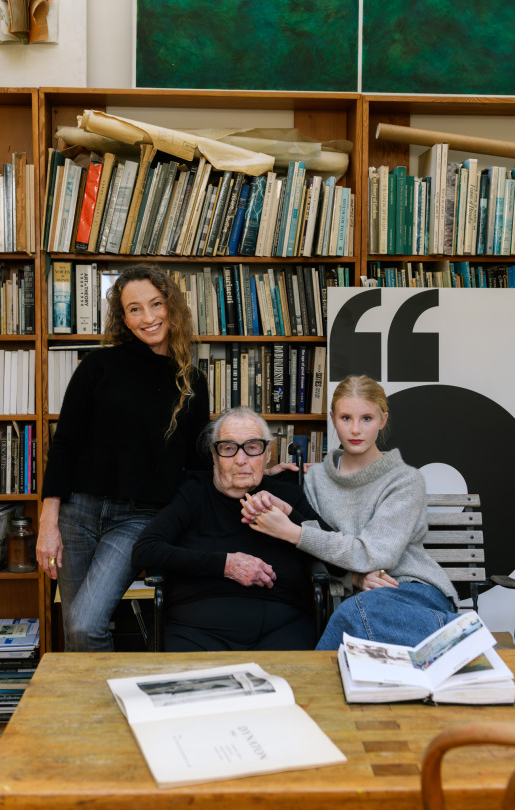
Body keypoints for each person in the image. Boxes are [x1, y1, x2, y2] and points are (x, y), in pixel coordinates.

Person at [36, 265, 210, 652]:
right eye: (134, 309)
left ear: (172, 306)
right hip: (77, 513)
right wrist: (48, 523)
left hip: (138, 519)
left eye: (156, 304)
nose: (148, 317)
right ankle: (98, 694)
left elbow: (198, 465)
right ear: (124, 318)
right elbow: (64, 445)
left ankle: (114, 690)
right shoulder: (97, 366)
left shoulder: (192, 382)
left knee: (84, 626)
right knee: (75, 632)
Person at [240, 375, 459, 649]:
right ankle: (453, 639)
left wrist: (295, 532)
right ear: (333, 419)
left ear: (383, 420)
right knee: (358, 616)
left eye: (366, 418)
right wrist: (352, 578)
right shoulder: (315, 480)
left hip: (413, 591)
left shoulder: (404, 481)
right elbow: (312, 555)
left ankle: (455, 636)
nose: (355, 430)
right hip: (361, 600)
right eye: (346, 418)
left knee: (356, 615)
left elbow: (373, 554)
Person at [131, 407, 343, 652]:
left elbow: (337, 563)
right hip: (194, 630)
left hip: (281, 629)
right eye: (229, 448)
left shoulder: (287, 495)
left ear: (268, 454)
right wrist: (226, 565)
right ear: (214, 455)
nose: (241, 460)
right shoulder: (192, 492)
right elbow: (145, 550)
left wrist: (289, 513)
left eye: (252, 447)